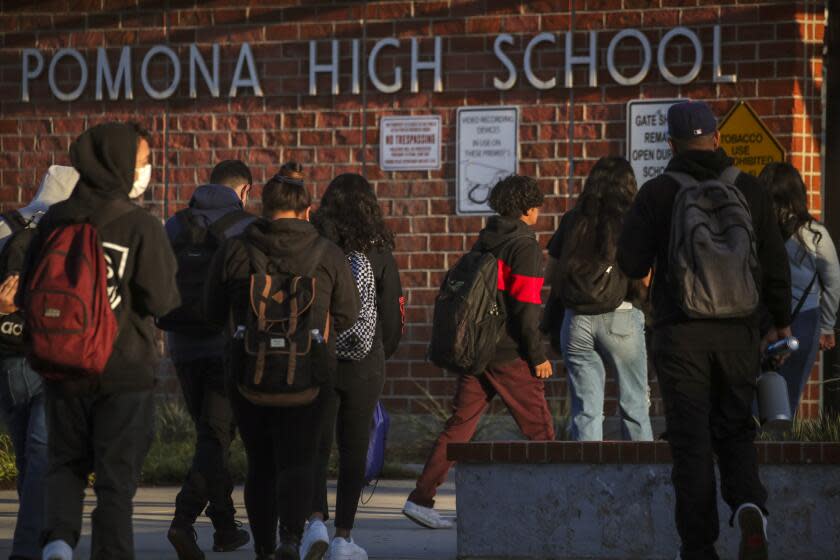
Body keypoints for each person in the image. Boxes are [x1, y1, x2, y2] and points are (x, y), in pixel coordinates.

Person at [618, 101, 791, 560]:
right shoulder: (749, 190)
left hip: (681, 334)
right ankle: (750, 506)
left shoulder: (657, 193)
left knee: (690, 440)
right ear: (717, 138)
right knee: (736, 430)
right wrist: (780, 322)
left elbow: (631, 262)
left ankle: (699, 546)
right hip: (740, 332)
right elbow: (775, 263)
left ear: (671, 144)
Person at [28, 123, 181, 560]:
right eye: (142, 161)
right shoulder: (139, 225)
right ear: (118, 163)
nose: (147, 170)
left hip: (62, 368)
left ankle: (57, 542)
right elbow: (163, 300)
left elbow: (29, 294)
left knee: (65, 464)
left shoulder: (56, 219)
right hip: (123, 371)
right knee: (115, 481)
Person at [204, 168, 359, 560]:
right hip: (310, 373)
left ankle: (263, 547)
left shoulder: (236, 249)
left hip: (247, 374)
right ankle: (291, 538)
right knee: (300, 459)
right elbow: (348, 313)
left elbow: (211, 312)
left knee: (260, 464)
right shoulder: (327, 252)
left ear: (262, 207)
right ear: (307, 211)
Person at [403, 174, 555, 529]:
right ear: (529, 209)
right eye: (537, 207)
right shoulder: (525, 246)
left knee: (460, 425)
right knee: (541, 431)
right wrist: (537, 356)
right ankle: (552, 504)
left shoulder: (485, 241)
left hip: (477, 351)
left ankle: (421, 498)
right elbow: (526, 308)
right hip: (508, 353)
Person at [307, 173, 404, 560]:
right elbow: (393, 315)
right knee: (353, 448)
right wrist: (381, 350)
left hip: (320, 356)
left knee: (315, 441)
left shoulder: (316, 246)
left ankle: (313, 520)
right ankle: (343, 536)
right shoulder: (379, 250)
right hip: (365, 361)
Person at [163, 160, 256, 559]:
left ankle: (223, 528)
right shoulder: (247, 227)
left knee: (208, 435)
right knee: (215, 437)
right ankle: (182, 522)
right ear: (245, 191)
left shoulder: (175, 225)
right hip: (226, 347)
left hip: (181, 345)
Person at [0, 165, 77, 560]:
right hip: (51, 354)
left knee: (32, 466)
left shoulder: (5, 226)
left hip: (7, 359)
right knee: (41, 459)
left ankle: (43, 538)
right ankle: (29, 549)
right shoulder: (70, 233)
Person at [547, 156, 653, 441]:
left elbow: (552, 272)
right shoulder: (630, 219)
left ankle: (586, 482)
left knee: (585, 411)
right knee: (634, 405)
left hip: (576, 319)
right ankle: (642, 479)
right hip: (621, 316)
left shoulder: (573, 219)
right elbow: (644, 276)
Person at [758, 162, 840, 415]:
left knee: (756, 395)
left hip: (762, 323)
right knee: (789, 398)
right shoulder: (816, 235)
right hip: (804, 322)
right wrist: (827, 326)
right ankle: (781, 446)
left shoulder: (757, 232)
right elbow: (833, 282)